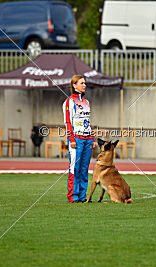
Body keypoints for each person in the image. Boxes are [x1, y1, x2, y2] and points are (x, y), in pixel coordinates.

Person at [63, 75, 97, 203]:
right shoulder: (69, 102)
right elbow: (68, 122)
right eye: (81, 83)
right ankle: (73, 196)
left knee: (84, 169)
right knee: (74, 168)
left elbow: (87, 121)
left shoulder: (87, 102)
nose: (84, 85)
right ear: (74, 85)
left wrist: (92, 138)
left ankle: (83, 196)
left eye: (85, 83)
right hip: (76, 139)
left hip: (87, 139)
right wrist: (71, 139)